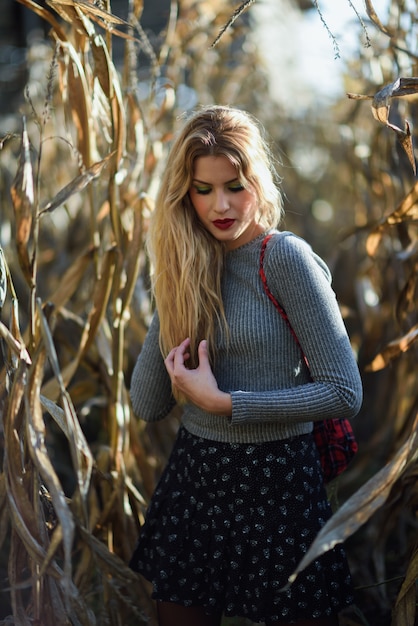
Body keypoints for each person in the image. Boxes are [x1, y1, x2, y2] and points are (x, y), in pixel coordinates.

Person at [129, 105, 363, 626]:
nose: (221, 205)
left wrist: (224, 403)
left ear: (255, 177)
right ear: (183, 194)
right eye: (203, 189)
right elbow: (146, 404)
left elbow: (344, 392)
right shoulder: (185, 268)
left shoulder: (284, 259)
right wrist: (174, 286)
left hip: (280, 481)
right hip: (200, 479)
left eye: (234, 185)